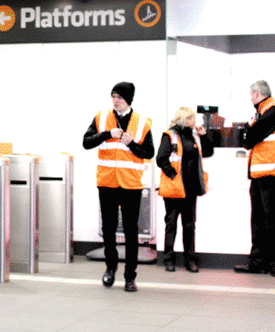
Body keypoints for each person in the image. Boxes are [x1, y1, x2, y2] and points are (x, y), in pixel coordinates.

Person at [83, 82, 154, 292]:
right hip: (107, 182)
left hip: (131, 183)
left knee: (131, 231)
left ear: (128, 100)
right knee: (109, 228)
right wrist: (107, 134)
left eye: (120, 97)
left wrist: (131, 143)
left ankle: (130, 277)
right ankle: (110, 268)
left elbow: (149, 153)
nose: (115, 100)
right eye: (113, 96)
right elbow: (86, 142)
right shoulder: (101, 118)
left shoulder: (142, 122)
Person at [156, 107, 213, 273]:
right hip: (174, 189)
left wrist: (204, 134)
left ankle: (190, 260)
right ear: (184, 119)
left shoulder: (195, 136)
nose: (194, 122)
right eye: (191, 118)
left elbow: (208, 152)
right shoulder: (170, 135)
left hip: (191, 189)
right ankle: (168, 260)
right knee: (171, 224)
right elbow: (161, 158)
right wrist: (173, 175)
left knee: (189, 226)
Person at [236, 80, 275, 275]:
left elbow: (249, 137)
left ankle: (272, 263)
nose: (251, 98)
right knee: (258, 220)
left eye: (251, 95)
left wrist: (247, 133)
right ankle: (258, 262)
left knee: (272, 220)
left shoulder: (272, 112)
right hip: (258, 175)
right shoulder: (260, 114)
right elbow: (246, 139)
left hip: (270, 176)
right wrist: (247, 134)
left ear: (258, 94)